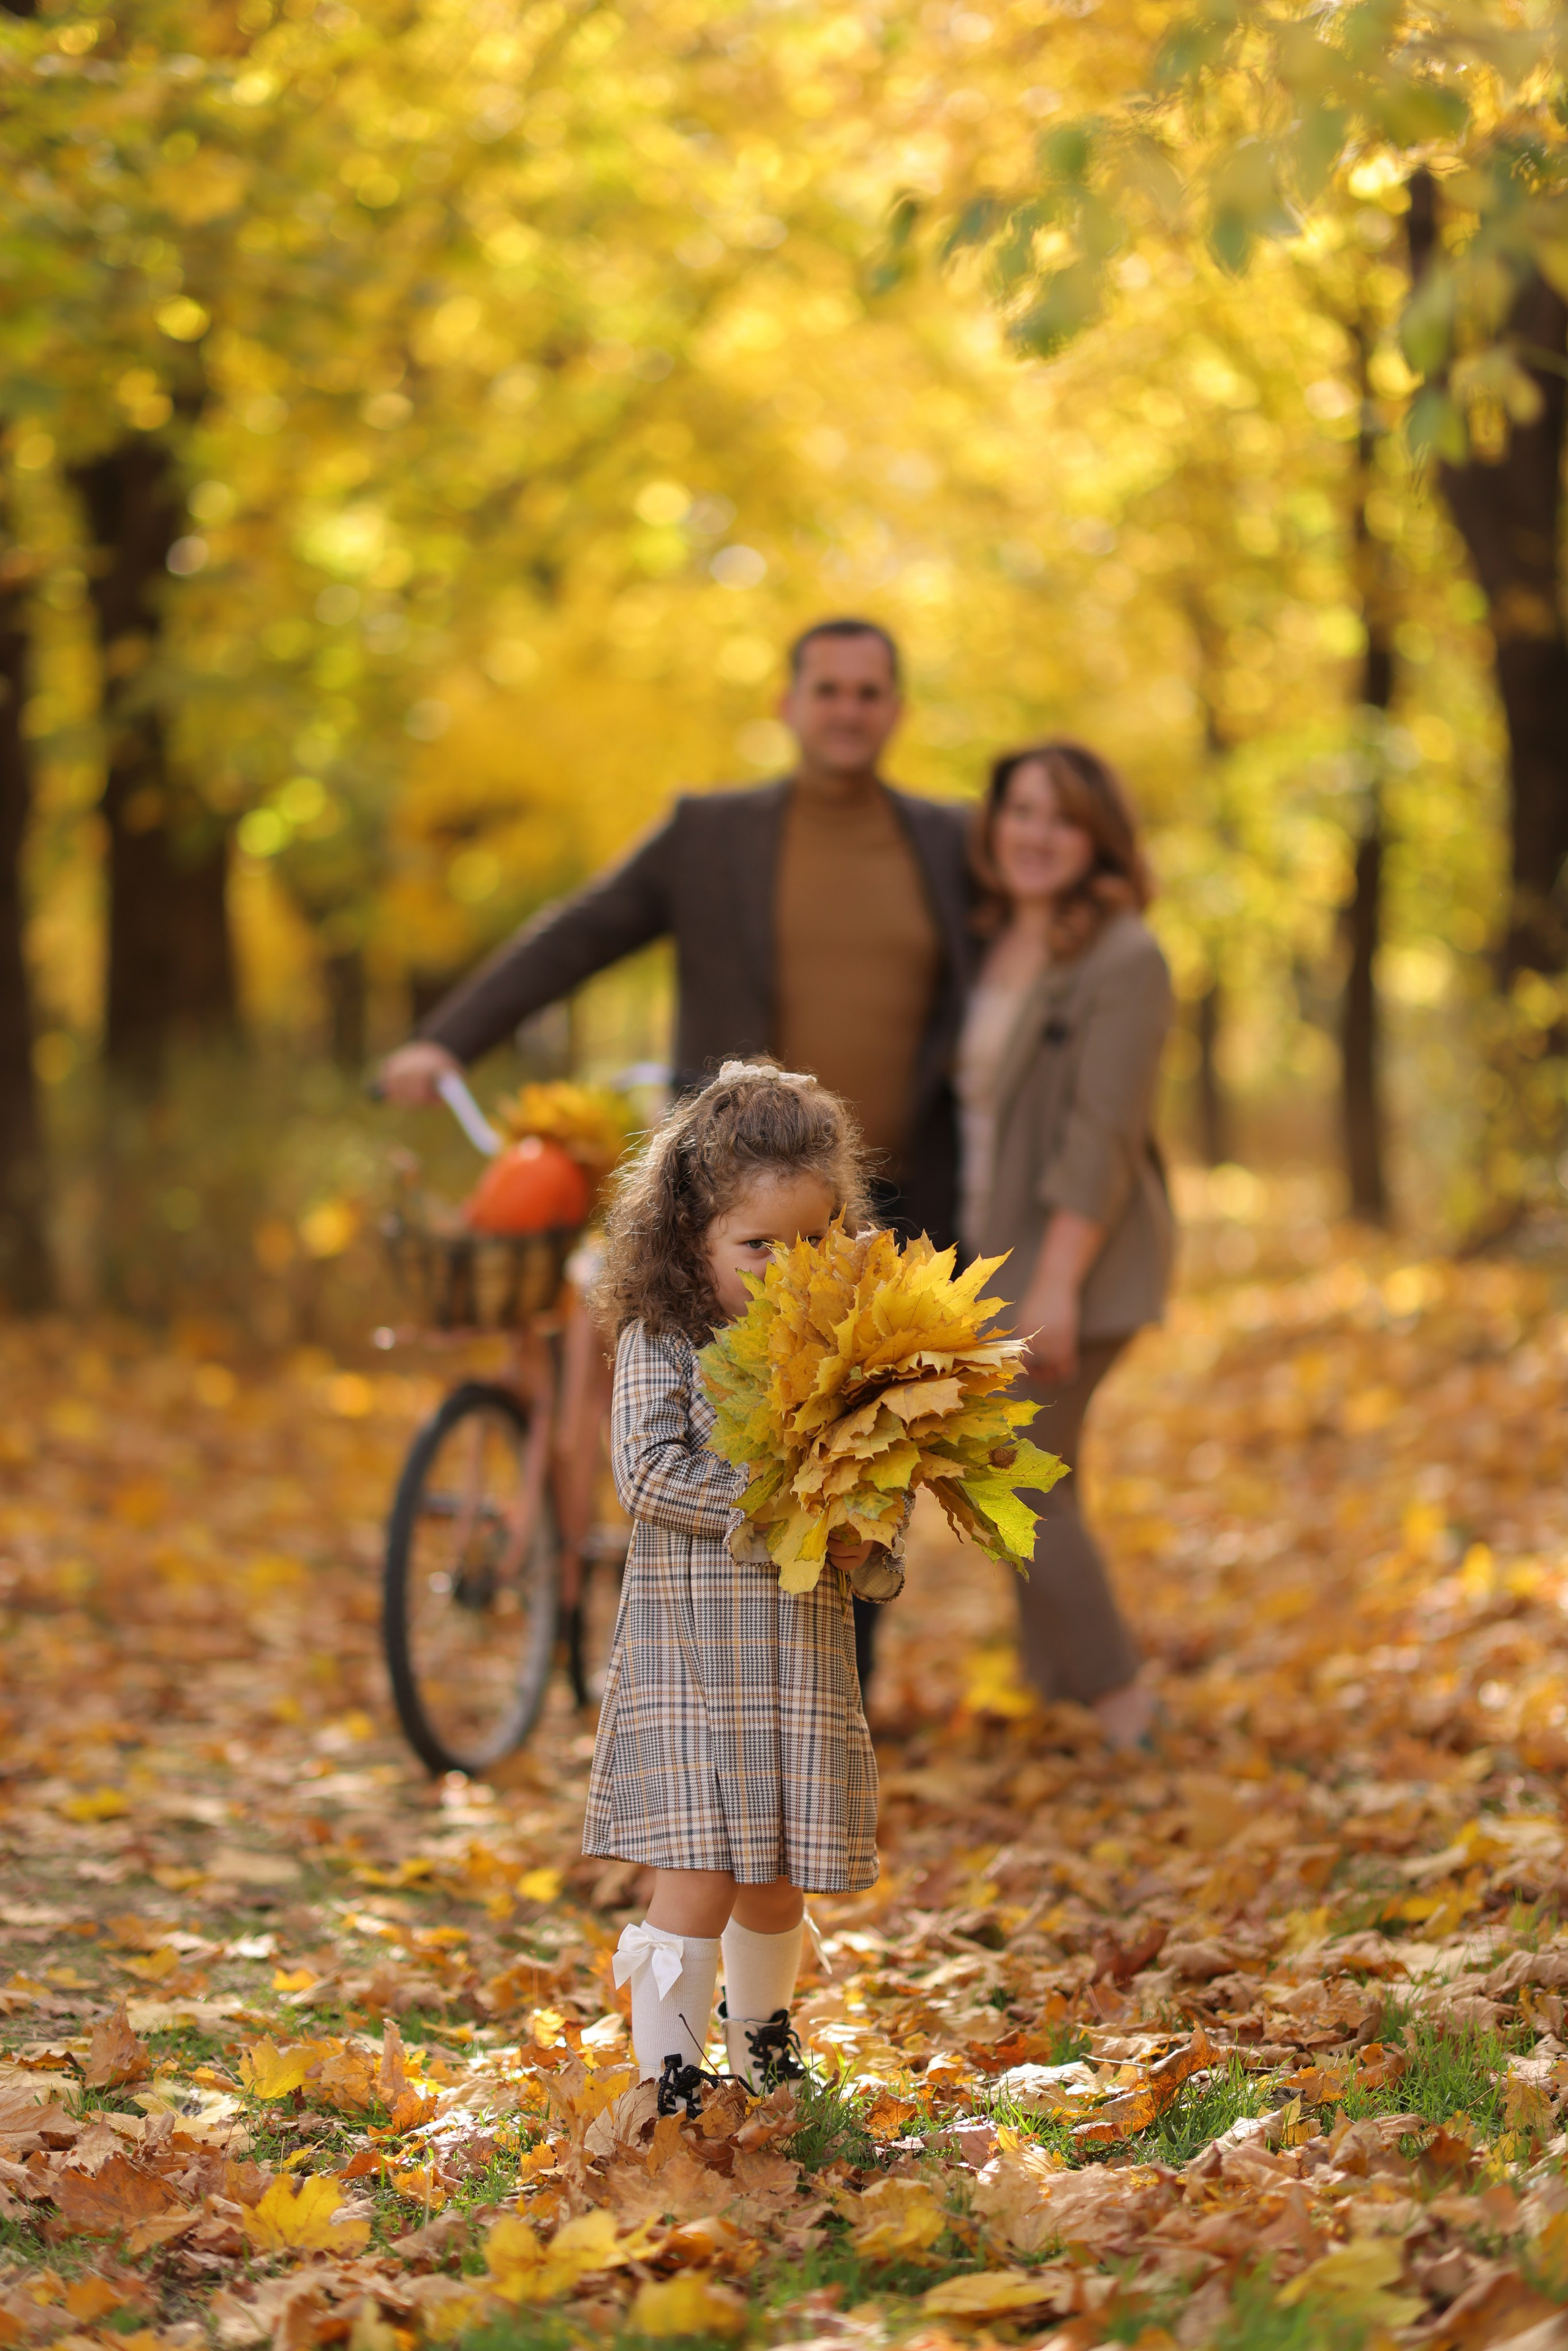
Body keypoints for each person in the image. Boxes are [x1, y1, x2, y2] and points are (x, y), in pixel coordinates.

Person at [378, 617, 973, 1687]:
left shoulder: (948, 840)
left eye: (870, 691)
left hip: (898, 1194)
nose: (848, 708)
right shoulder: (711, 833)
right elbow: (582, 930)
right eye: (828, 689)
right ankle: (697, 1691)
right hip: (736, 1197)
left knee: (869, 1445)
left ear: (897, 709)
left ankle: (840, 1688)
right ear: (791, 704)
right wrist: (448, 1037)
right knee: (718, 1434)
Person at [585, 1062, 903, 2104]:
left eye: (810, 1242)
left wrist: (864, 1543)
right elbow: (647, 1470)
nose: (783, 1266)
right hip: (690, 1661)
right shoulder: (664, 1339)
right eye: (755, 1244)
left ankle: (763, 2036)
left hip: (796, 1665)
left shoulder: (841, 1357)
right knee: (699, 1873)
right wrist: (772, 1511)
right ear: (692, 1239)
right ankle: (667, 2070)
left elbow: (877, 1485)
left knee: (771, 1885)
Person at [956, 740, 1172, 1751]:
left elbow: (1104, 1134)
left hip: (1076, 1263)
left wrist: (1054, 1280)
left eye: (1061, 817)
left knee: (1018, 1473)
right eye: (1021, 811)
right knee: (1033, 1476)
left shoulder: (1123, 955)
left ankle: (1126, 1709)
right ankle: (1052, 1695)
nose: (1035, 834)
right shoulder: (999, 940)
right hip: (994, 1254)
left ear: (1096, 839)